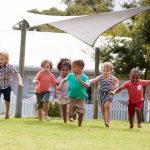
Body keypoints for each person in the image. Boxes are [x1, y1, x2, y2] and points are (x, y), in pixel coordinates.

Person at [57, 59, 89, 127]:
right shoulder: (70, 75)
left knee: (81, 113)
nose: (72, 68)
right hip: (71, 98)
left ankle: (79, 126)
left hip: (80, 99)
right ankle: (72, 116)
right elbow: (64, 80)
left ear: (80, 68)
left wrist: (79, 80)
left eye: (74, 67)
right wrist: (60, 85)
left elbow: (87, 85)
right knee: (70, 115)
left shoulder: (84, 77)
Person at [89, 62, 119, 127]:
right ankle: (105, 121)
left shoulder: (112, 78)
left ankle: (108, 122)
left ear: (111, 71)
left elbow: (117, 82)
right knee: (103, 108)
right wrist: (88, 81)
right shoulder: (100, 77)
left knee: (107, 106)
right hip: (100, 94)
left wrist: (115, 87)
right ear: (101, 70)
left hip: (109, 93)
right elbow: (94, 80)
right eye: (103, 70)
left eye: (107, 71)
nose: (105, 72)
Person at [0, 51, 23, 119]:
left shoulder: (9, 66)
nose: (0, 61)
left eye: (2, 59)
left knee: (7, 100)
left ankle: (7, 113)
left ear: (6, 60)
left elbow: (17, 73)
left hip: (6, 85)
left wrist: (20, 81)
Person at [56, 58, 71, 123]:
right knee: (64, 109)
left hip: (70, 96)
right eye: (63, 70)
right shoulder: (59, 79)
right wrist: (58, 89)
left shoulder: (71, 78)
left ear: (70, 70)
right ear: (60, 70)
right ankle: (65, 121)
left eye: (67, 70)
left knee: (71, 108)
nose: (65, 71)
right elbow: (57, 87)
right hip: (62, 96)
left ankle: (71, 117)